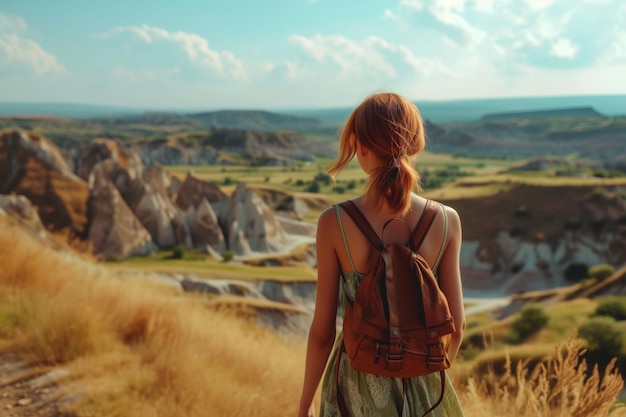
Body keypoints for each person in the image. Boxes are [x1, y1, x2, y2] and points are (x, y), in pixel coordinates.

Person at [297, 92, 466, 417]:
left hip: (353, 388)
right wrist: (420, 370)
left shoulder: (335, 222)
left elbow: (322, 333)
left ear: (360, 146)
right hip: (429, 390)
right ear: (415, 143)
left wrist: (305, 404)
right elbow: (456, 326)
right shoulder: (447, 221)